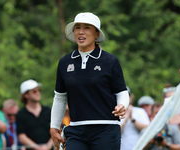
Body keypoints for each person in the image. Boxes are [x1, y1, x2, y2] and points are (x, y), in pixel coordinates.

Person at [50, 12, 129, 150]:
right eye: (77, 27)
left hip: (106, 129)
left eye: (87, 27)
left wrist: (123, 105)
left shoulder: (110, 61)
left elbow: (121, 92)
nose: (81, 32)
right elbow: (60, 97)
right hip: (76, 130)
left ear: (97, 34)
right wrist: (54, 127)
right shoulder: (64, 62)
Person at [16, 79, 53, 150]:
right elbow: (22, 137)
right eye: (34, 91)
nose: (38, 93)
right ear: (26, 95)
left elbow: (55, 131)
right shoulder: (20, 114)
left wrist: (47, 146)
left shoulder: (48, 110)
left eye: (38, 90)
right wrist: (38, 148)